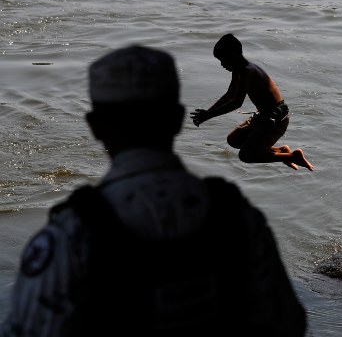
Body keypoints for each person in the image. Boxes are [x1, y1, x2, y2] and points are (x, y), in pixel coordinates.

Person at [0, 45, 308, 337]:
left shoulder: (68, 236)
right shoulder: (238, 221)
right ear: (176, 119)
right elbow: (289, 324)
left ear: (95, 126)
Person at [190, 34, 314, 171]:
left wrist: (209, 116)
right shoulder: (239, 70)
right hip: (265, 115)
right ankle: (282, 151)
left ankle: (291, 156)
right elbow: (229, 95)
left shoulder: (247, 71)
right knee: (234, 140)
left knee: (245, 156)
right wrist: (207, 113)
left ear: (234, 55)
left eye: (223, 60)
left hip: (276, 119)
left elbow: (237, 102)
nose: (222, 64)